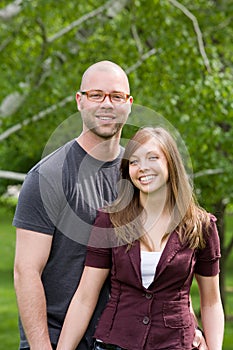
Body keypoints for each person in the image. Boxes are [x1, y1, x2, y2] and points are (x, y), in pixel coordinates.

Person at [13, 61, 207, 350]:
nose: (107, 104)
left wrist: (188, 321)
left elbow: (164, 258)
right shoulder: (49, 177)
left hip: (124, 341)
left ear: (128, 104)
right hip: (61, 340)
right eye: (96, 95)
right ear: (80, 101)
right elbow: (25, 271)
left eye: (116, 96)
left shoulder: (141, 175)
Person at [56, 127, 224, 350]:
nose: (142, 167)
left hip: (176, 344)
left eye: (152, 157)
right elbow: (86, 296)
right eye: (134, 161)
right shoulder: (109, 222)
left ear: (170, 163)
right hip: (114, 343)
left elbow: (211, 301)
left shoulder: (201, 226)